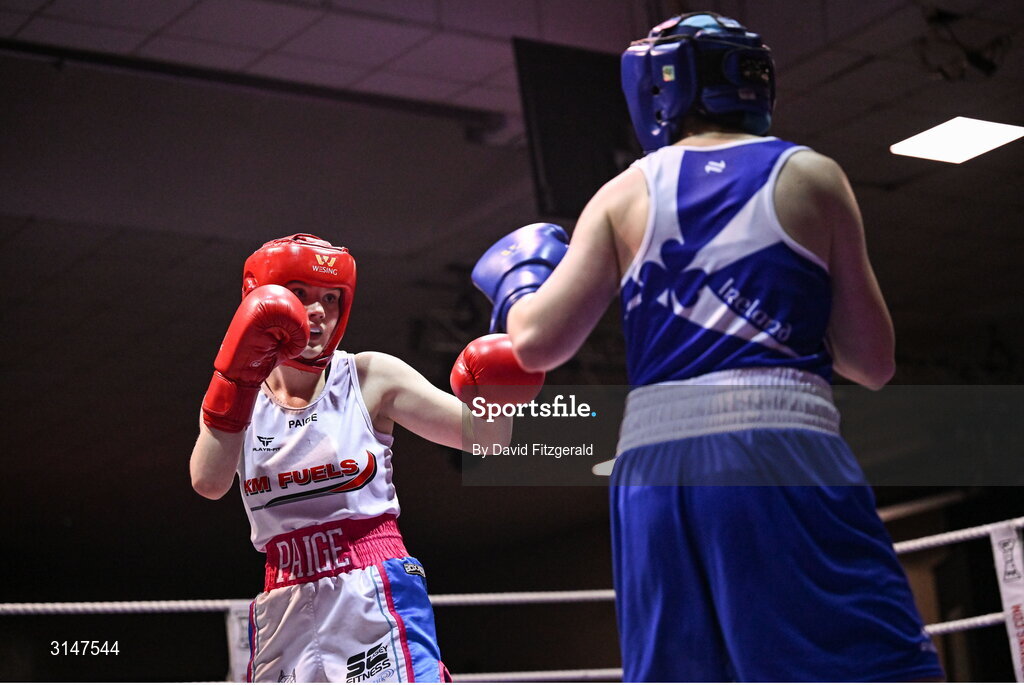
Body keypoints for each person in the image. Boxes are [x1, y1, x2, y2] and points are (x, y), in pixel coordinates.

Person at [470, 12, 945, 683]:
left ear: (659, 86)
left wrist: (520, 283)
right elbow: (873, 362)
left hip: (654, 462)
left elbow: (537, 343)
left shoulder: (624, 192)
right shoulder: (812, 176)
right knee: (863, 664)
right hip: (777, 442)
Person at [190, 233, 542, 683]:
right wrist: (234, 382)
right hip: (284, 597)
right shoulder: (240, 394)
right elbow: (208, 481)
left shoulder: (369, 376)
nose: (317, 312)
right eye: (299, 295)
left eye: (330, 298)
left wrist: (503, 395)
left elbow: (486, 439)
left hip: (371, 584)